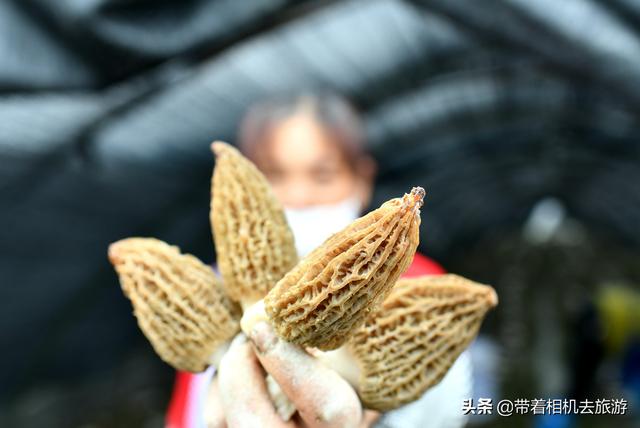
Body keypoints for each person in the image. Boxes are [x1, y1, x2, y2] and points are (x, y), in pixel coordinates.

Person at [166, 93, 471, 428]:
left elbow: (442, 408)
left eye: (322, 175)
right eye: (275, 175)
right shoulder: (215, 290)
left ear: (362, 179)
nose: (299, 195)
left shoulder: (418, 283)